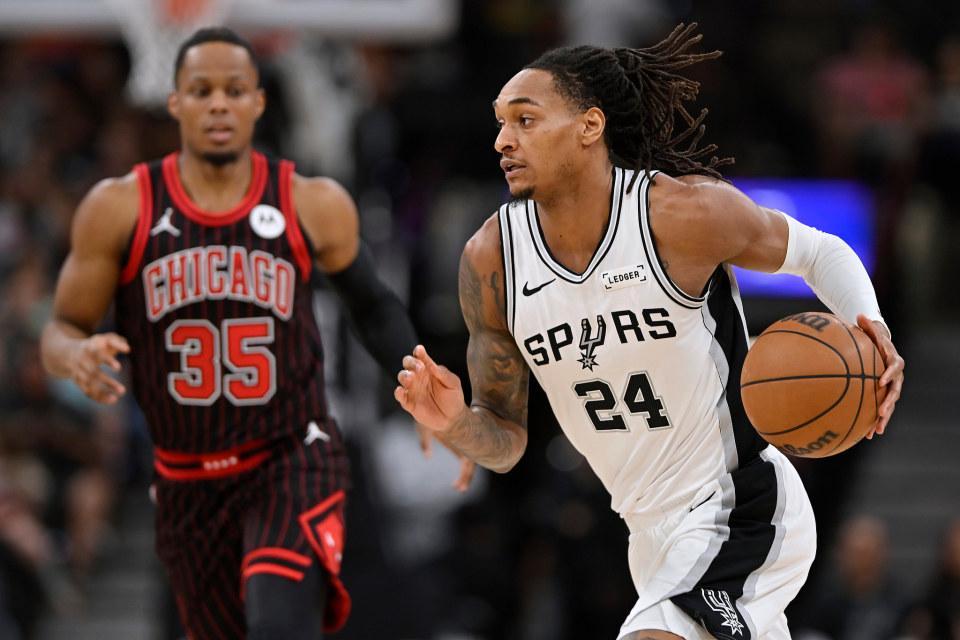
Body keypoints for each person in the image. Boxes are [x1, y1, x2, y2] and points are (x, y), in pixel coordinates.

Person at [395, 23, 905, 640]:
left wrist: (873, 329)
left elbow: (820, 252)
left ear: (590, 125)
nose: (503, 140)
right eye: (501, 122)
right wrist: (454, 421)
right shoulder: (491, 260)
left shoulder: (679, 215)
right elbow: (505, 441)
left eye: (525, 120)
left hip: (739, 508)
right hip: (647, 535)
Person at [40, 27, 470, 640]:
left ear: (257, 103)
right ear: (175, 103)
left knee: (278, 620)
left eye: (234, 90)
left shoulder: (311, 202)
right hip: (189, 471)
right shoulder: (118, 207)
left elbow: (374, 307)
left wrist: (421, 382)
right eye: (202, 91)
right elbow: (61, 327)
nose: (219, 105)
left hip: (287, 457)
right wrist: (74, 352)